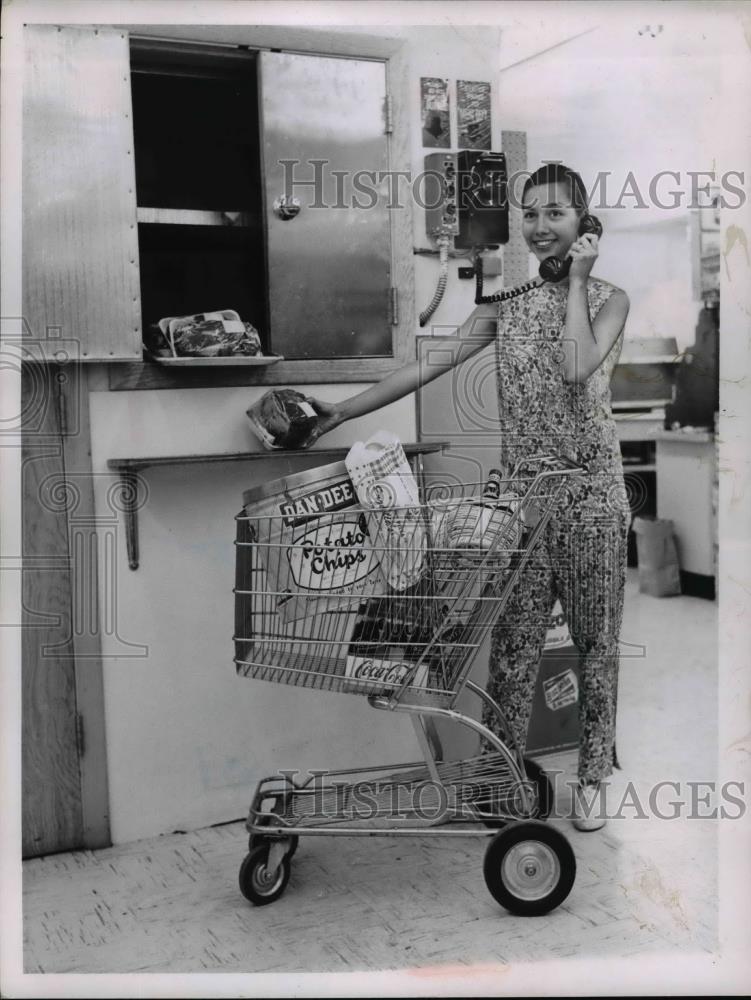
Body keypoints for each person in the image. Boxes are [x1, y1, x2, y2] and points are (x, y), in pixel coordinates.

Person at [305, 163, 631, 832]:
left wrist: (572, 279)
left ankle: (594, 775)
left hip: (593, 499)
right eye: (531, 214)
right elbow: (425, 366)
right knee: (512, 649)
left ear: (584, 224)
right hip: (521, 505)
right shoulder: (501, 308)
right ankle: (498, 777)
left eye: (556, 215)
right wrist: (341, 412)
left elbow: (574, 366)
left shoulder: (608, 299)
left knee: (597, 644)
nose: (540, 227)